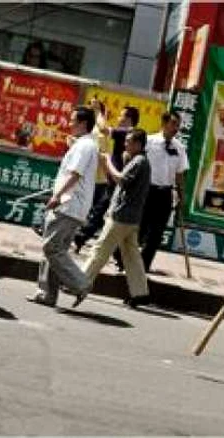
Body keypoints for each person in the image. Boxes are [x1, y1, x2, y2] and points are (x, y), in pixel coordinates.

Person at [26, 106, 99, 307]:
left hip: (69, 204)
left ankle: (81, 283)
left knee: (51, 247)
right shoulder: (84, 145)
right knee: (56, 249)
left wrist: (57, 196)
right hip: (72, 205)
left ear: (83, 123)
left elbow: (75, 174)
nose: (69, 124)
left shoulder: (84, 146)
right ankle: (47, 294)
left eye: (73, 120)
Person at [72, 128, 151, 309]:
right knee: (132, 255)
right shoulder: (139, 161)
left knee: (99, 250)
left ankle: (79, 283)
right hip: (131, 218)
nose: (125, 144)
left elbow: (121, 180)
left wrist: (107, 161)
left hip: (122, 217)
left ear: (138, 144)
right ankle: (140, 293)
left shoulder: (139, 161)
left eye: (129, 141)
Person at [73, 105, 140, 253]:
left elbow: (104, 129)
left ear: (129, 119)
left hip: (119, 180)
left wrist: (98, 111)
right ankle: (84, 239)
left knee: (103, 211)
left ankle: (82, 238)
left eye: (122, 116)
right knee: (105, 211)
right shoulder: (129, 134)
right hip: (115, 179)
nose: (119, 119)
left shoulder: (127, 132)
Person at [138, 112, 189, 273]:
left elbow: (180, 174)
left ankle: (144, 265)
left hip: (165, 193)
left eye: (178, 125)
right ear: (164, 123)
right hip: (147, 190)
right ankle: (124, 260)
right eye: (174, 124)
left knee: (157, 233)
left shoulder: (179, 147)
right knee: (139, 228)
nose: (176, 128)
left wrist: (181, 196)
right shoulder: (149, 142)